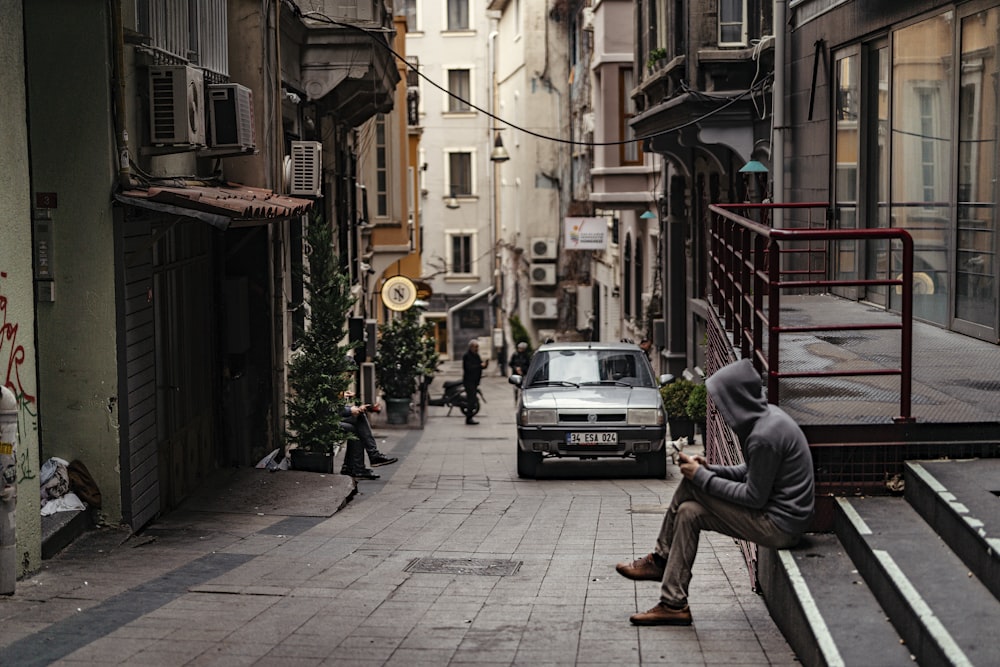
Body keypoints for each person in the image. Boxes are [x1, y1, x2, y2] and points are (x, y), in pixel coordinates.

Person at [615, 359, 814, 626]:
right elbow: (749, 472)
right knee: (688, 512)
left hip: (781, 527)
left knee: (692, 485)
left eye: (722, 400)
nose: (719, 409)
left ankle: (660, 558)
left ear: (736, 397)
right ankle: (673, 603)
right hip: (779, 518)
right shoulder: (769, 419)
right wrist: (712, 469)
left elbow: (753, 497)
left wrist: (703, 478)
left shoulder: (764, 435)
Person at [462, 339, 488, 425]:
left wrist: (485, 364)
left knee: (472, 400)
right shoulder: (467, 356)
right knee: (471, 400)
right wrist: (479, 366)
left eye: (477, 347)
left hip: (475, 381)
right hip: (469, 381)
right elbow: (469, 368)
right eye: (475, 347)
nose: (477, 348)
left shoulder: (476, 355)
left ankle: (470, 417)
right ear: (471, 347)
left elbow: (480, 366)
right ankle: (469, 418)